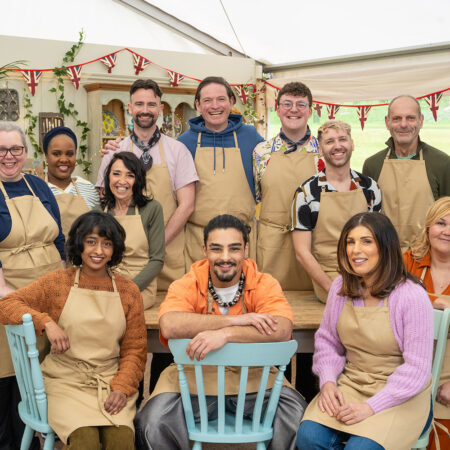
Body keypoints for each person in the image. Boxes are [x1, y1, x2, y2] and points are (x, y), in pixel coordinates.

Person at [134, 214, 307, 450]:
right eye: (217, 249)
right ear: (205, 250)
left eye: (234, 249)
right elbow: (170, 324)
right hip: (196, 381)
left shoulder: (264, 283)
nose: (225, 258)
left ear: (246, 249)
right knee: (150, 423)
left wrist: (225, 334)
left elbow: (282, 327)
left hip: (255, 382)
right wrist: (241, 321)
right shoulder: (187, 283)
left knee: (300, 419)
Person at [0, 211, 146, 449]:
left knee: (121, 441)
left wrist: (122, 388)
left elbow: (135, 351)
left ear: (115, 249)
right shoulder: (58, 283)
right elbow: (6, 305)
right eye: (91, 242)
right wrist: (45, 322)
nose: (98, 251)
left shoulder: (129, 291)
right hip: (64, 382)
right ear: (80, 244)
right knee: (84, 440)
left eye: (106, 244)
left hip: (109, 381)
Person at [297, 212, 433, 450]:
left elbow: (416, 370)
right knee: (309, 437)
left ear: (385, 246)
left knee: (360, 448)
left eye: (366, 241)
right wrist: (328, 382)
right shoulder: (340, 287)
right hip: (352, 384)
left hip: (401, 395)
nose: (355, 250)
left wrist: (371, 407)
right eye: (350, 242)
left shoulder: (411, 296)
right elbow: (327, 342)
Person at [96, 78, 198, 291]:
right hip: (125, 257)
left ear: (160, 109)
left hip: (169, 254)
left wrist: (156, 246)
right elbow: (105, 204)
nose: (145, 110)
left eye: (151, 104)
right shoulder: (114, 152)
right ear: (129, 108)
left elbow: (187, 205)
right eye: (139, 104)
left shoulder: (178, 151)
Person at [0, 122, 65, 449]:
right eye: (1, 150)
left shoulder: (39, 186)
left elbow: (61, 238)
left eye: (16, 149)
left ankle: (45, 435)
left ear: (26, 153)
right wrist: (4, 293)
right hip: (9, 293)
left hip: (51, 292)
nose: (9, 157)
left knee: (47, 368)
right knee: (11, 374)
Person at [178, 76, 264, 267]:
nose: (215, 106)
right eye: (207, 100)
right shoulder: (184, 143)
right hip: (199, 242)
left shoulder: (251, 137)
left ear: (232, 102)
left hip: (241, 242)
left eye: (221, 99)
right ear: (198, 106)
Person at [291, 120, 381, 302]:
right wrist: (331, 288)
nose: (337, 146)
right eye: (330, 141)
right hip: (329, 276)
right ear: (321, 150)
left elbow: (379, 240)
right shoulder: (306, 192)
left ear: (352, 144)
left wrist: (376, 282)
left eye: (342, 139)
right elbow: (302, 252)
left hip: (368, 273)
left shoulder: (370, 187)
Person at [254, 81, 322, 291]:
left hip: (314, 243)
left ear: (310, 111)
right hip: (272, 244)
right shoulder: (260, 152)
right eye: (287, 104)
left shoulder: (325, 151)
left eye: (301, 104)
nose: (294, 110)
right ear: (277, 108)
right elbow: (256, 196)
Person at [362, 95, 450, 252]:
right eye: (396, 119)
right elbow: (367, 217)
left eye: (410, 118)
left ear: (421, 120)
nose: (403, 124)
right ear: (387, 122)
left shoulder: (442, 163)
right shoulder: (372, 164)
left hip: (428, 256)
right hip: (385, 256)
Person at [403, 196, 450, 450]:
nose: (447, 231)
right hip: (407, 363)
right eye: (441, 223)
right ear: (429, 226)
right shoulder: (406, 262)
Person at [101, 152, 165, 310]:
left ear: (138, 180)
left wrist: (129, 289)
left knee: (117, 310)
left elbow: (157, 259)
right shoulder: (99, 212)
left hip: (140, 286)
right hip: (106, 285)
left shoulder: (152, 209)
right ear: (108, 177)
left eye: (130, 175)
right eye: (116, 174)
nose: (122, 181)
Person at [44, 126, 100, 239]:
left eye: (70, 154)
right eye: (56, 154)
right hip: (48, 256)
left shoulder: (89, 189)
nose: (64, 159)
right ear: (46, 157)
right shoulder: (37, 190)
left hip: (83, 255)